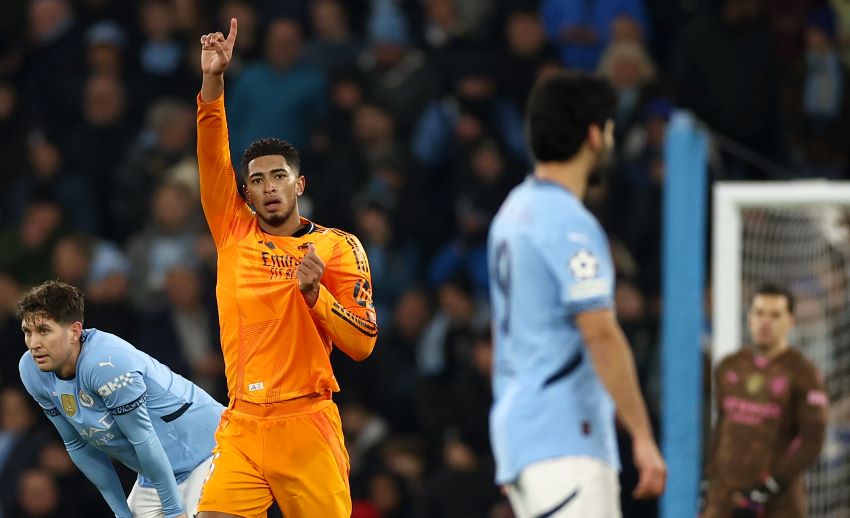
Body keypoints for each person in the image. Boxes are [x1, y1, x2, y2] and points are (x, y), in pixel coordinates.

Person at [195, 18, 378, 518]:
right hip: (242, 424)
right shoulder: (232, 232)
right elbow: (212, 155)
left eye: (280, 176)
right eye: (257, 180)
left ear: (299, 185)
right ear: (246, 193)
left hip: (307, 422)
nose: (269, 185)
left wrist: (318, 295)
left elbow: (362, 345)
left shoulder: (338, 248)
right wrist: (213, 82)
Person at [487, 71, 666, 517]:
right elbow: (600, 334)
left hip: (521, 434)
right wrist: (642, 436)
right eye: (608, 128)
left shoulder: (511, 212)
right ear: (593, 135)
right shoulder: (567, 222)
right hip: (566, 435)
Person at [17, 280, 225, 518]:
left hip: (210, 448)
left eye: (44, 331)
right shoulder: (31, 370)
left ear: (74, 331)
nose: (34, 344)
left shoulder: (107, 362)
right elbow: (78, 445)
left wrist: (173, 511)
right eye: (27, 332)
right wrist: (121, 512)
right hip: (156, 472)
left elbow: (142, 438)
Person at [701, 285, 828, 518]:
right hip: (723, 500)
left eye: (775, 315)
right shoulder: (729, 366)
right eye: (759, 313)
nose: (765, 322)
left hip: (777, 504)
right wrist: (709, 479)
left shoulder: (804, 373)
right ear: (749, 318)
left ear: (790, 321)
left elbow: (812, 441)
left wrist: (769, 486)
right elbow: (722, 427)